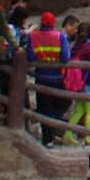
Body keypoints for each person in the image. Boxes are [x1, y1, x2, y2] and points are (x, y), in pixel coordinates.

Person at [26, 10, 68, 144]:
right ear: (54, 23)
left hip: (41, 77)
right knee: (64, 102)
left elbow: (31, 57)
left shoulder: (32, 36)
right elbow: (65, 57)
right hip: (57, 77)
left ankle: (47, 140)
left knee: (44, 109)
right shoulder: (60, 36)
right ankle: (54, 124)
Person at [62, 18, 90, 145]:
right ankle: (89, 137)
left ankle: (68, 134)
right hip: (89, 80)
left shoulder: (77, 44)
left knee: (79, 110)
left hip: (80, 81)